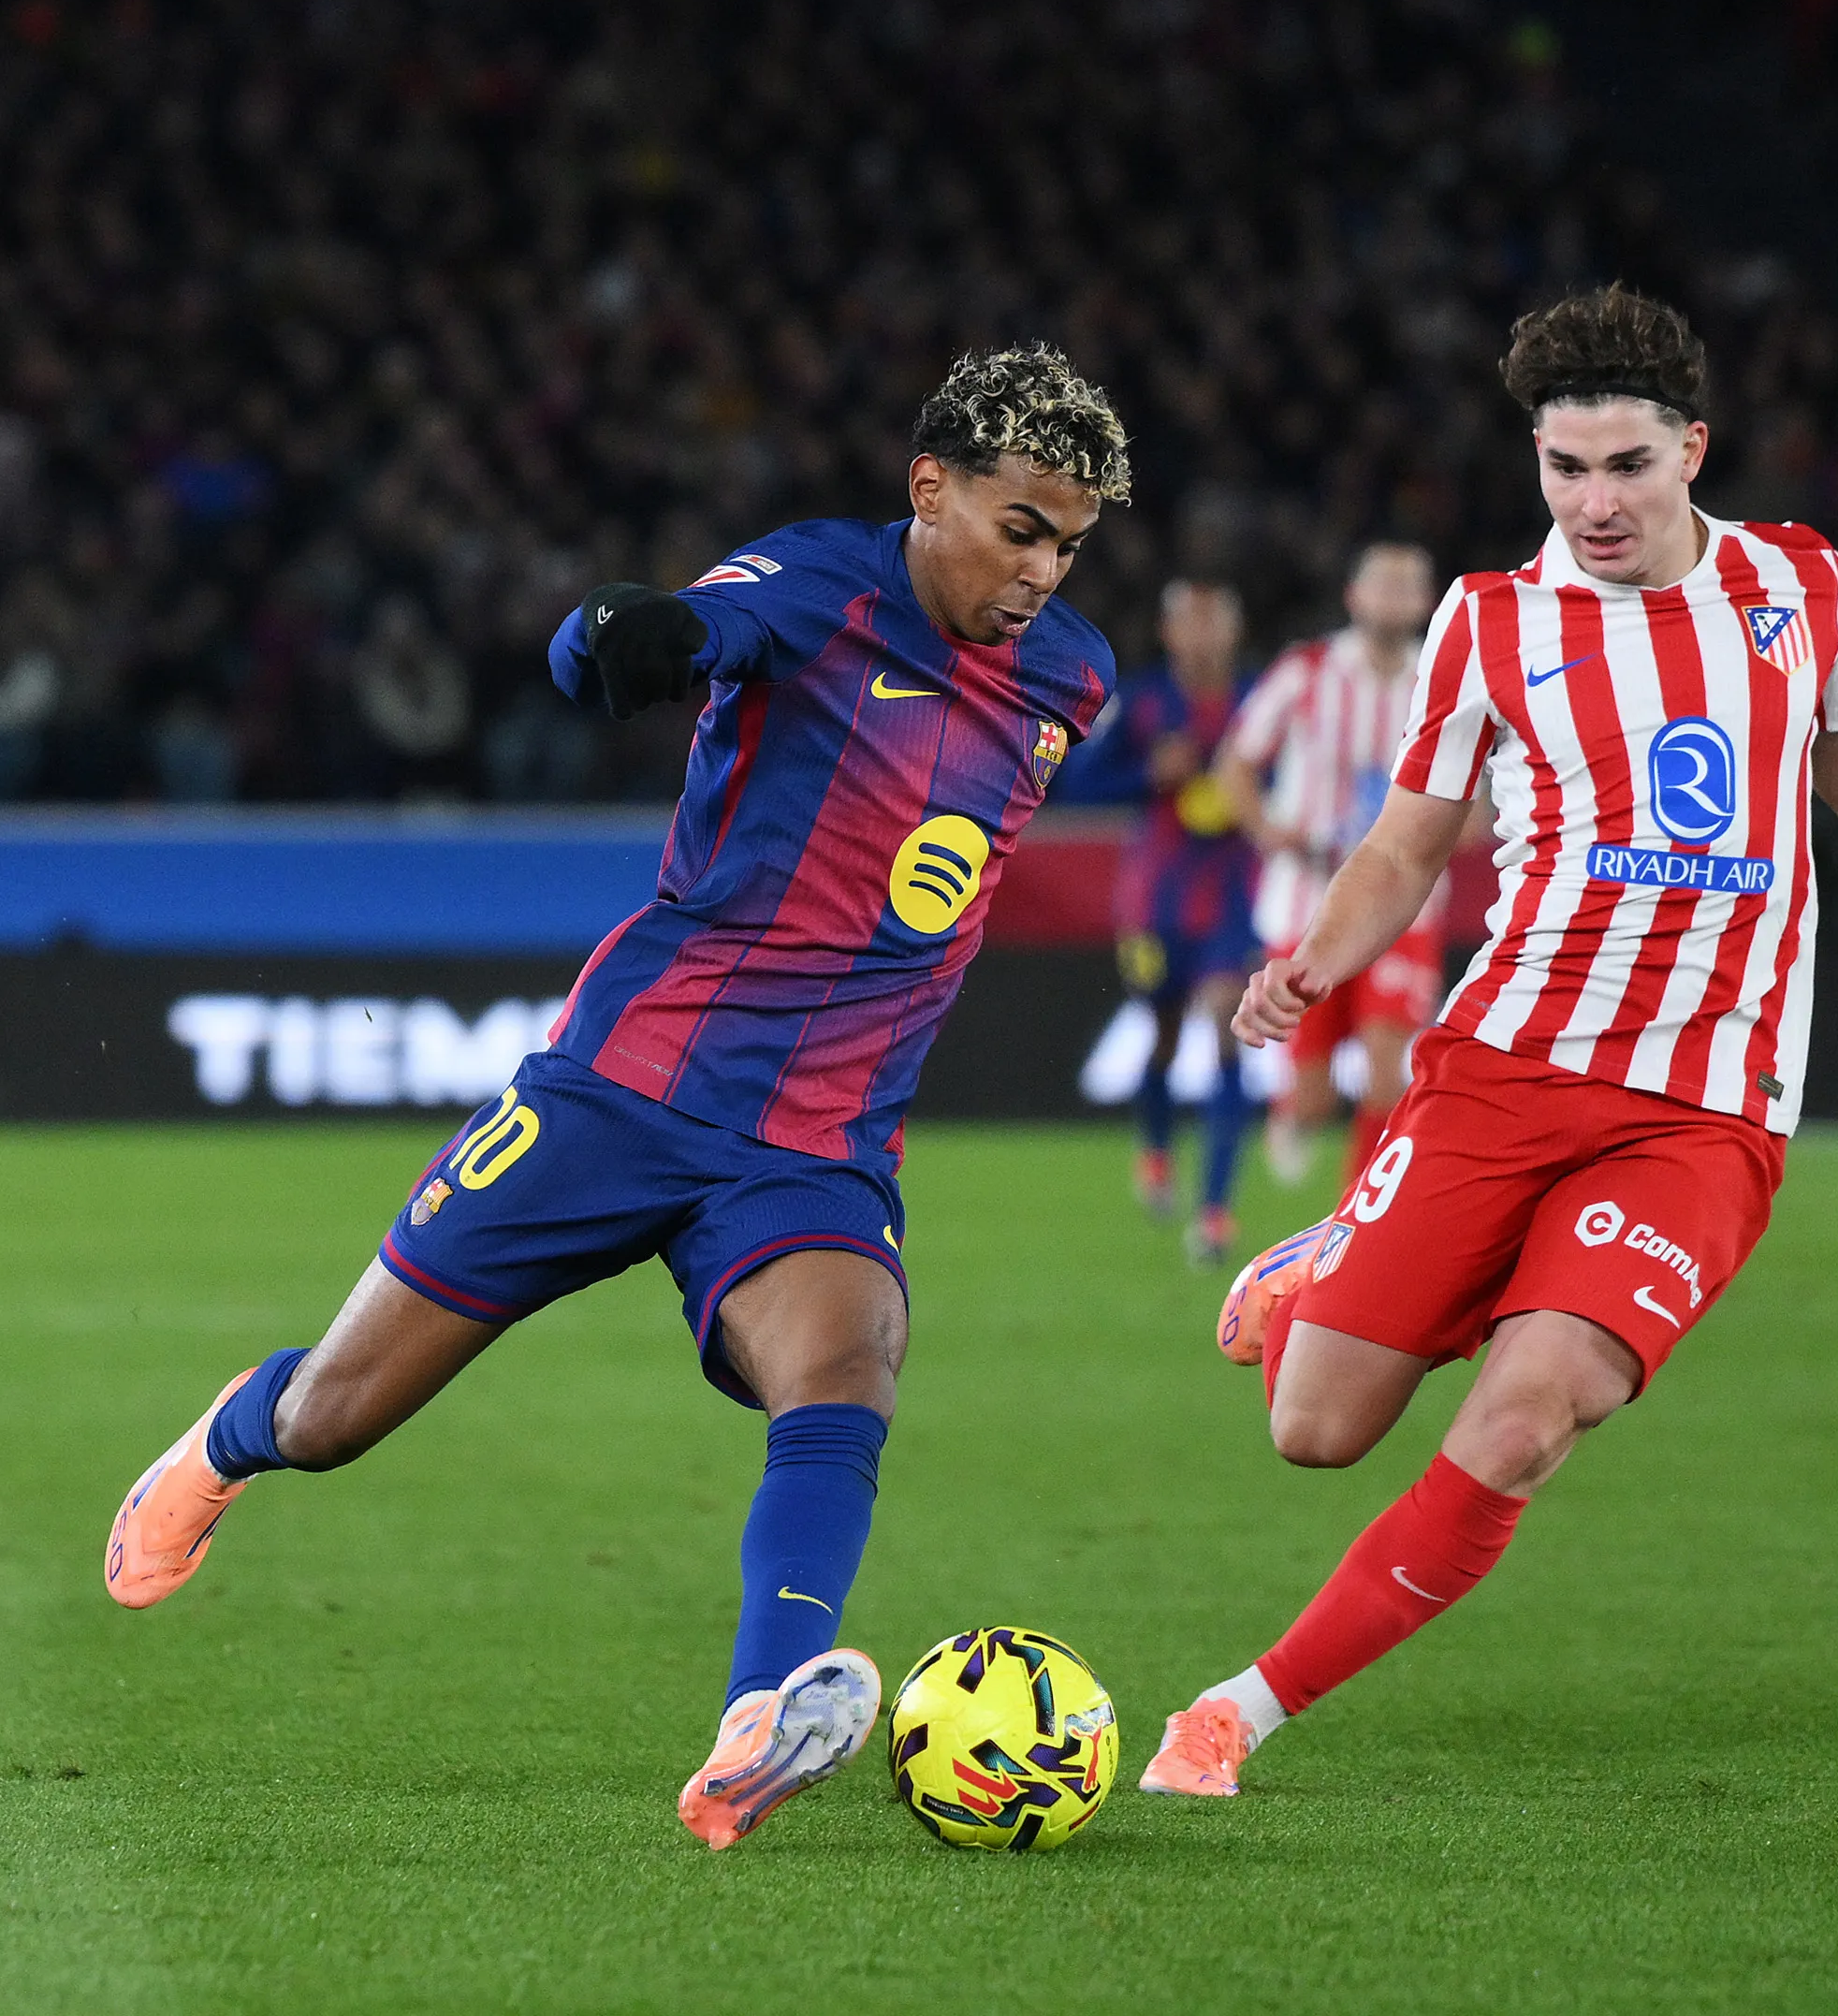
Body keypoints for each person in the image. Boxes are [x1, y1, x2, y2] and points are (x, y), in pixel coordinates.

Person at [1140, 285, 1838, 1797]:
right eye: (1562, 466)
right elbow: (1403, 846)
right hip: (1501, 1066)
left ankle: (1236, 1711)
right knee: (1313, 1427)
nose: (1591, 502)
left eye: (1626, 466)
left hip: (1701, 1113)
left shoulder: (1801, 587)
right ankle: (1340, 1255)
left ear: (1692, 450)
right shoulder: (1487, 621)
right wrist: (1307, 965)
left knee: (1522, 1419)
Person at [103, 344, 1130, 1850]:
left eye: (1071, 543)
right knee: (336, 1419)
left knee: (846, 1369)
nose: (1043, 572)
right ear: (931, 491)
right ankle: (224, 1442)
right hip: (627, 1086)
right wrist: (621, 641)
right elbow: (670, 634)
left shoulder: (1071, 677)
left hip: (817, 1138)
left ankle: (761, 1718)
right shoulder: (812, 588)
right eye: (1020, 527)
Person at [1217, 542, 1449, 1191]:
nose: (1396, 597)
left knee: (1385, 1070)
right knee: (1313, 1093)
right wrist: (1270, 830)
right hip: (1306, 901)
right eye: (1384, 583)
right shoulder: (1307, 669)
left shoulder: (1443, 679)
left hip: (1405, 908)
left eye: (1409, 585)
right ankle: (1293, 1113)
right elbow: (1235, 762)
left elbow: (1480, 796)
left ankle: (1355, 1219)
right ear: (1354, 595)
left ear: (1426, 600)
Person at [1110, 578, 1261, 1264]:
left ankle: (1215, 1212)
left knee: (1228, 1022)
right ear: (1169, 634)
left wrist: (1257, 793)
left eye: (1213, 622)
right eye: (1188, 624)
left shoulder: (1261, 699)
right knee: (1165, 1036)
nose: (1201, 636)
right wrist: (1149, 772)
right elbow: (1077, 779)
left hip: (1236, 894)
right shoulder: (1140, 700)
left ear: (1232, 631)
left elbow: (1299, 769)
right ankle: (1156, 1150)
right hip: (1156, 901)